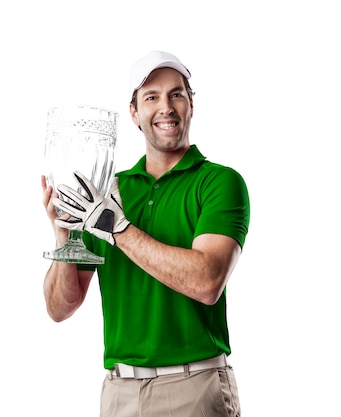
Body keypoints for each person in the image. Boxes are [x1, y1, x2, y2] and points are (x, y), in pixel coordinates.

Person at [41, 50, 250, 417]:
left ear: (190, 105)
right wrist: (64, 237)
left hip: (194, 390)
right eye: (151, 97)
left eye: (176, 94)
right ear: (134, 112)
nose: (165, 107)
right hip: (119, 393)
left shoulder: (219, 182)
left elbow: (206, 281)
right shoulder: (109, 192)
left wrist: (117, 228)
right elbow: (60, 308)